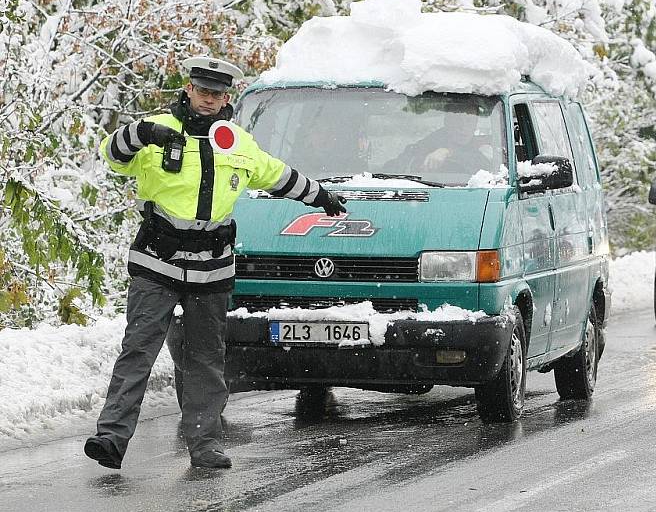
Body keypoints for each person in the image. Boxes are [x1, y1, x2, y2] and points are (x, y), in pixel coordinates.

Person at [84, 56, 347, 470]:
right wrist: (139, 132)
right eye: (202, 91)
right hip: (157, 261)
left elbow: (278, 175)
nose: (208, 100)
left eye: (217, 93)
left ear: (227, 97)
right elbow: (112, 157)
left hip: (212, 267)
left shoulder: (238, 142)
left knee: (206, 358)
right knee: (139, 350)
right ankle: (111, 438)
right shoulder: (159, 130)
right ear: (188, 89)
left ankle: (205, 445)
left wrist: (321, 196)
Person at [395, 105, 491, 174]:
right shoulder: (426, 145)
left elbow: (486, 171)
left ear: (475, 124)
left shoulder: (481, 148)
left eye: (469, 121)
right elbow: (391, 172)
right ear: (447, 121)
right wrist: (417, 166)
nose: (463, 127)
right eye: (458, 120)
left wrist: (449, 152)